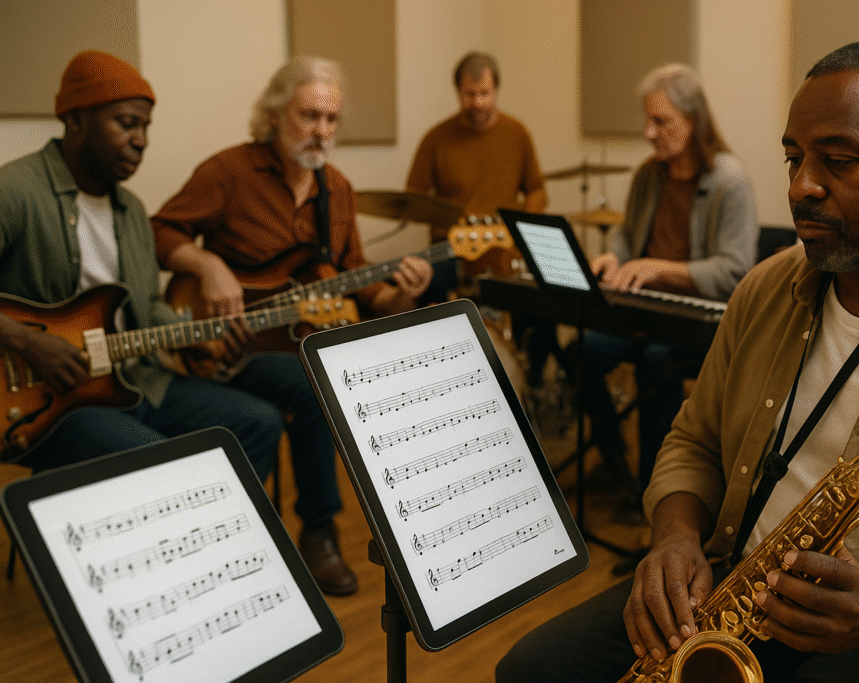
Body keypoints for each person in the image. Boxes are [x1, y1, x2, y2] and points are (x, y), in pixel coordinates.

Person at [497, 38, 859, 683]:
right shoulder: (765, 289)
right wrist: (674, 541)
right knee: (531, 669)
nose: (802, 186)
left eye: (838, 160)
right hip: (732, 591)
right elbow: (692, 441)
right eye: (794, 158)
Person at [151, 57, 433, 596]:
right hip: (222, 347)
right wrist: (208, 267)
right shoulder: (229, 172)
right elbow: (159, 230)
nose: (320, 132)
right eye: (308, 115)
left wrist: (403, 290)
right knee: (315, 385)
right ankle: (315, 529)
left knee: (323, 378)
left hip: (292, 347)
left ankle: (320, 531)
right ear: (276, 112)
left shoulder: (339, 192)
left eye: (330, 120)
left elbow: (362, 291)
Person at [0, 52, 281, 487]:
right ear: (76, 120)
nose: (141, 140)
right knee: (152, 458)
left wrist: (193, 341)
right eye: (126, 123)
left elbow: (146, 304)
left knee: (257, 422)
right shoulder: (15, 191)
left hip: (133, 379)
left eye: (145, 127)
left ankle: (211, 546)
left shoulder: (131, 210)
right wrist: (29, 343)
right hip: (43, 402)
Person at [579, 63, 757, 497]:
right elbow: (626, 234)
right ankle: (615, 459)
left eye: (661, 121)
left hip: (698, 321)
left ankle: (656, 495)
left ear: (692, 121)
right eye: (648, 120)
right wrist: (613, 256)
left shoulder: (729, 182)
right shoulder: (648, 175)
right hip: (647, 310)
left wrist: (658, 267)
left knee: (655, 362)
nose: (648, 133)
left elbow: (734, 271)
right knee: (581, 351)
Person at [407, 50, 547, 302]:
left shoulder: (516, 133)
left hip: (504, 246)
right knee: (423, 288)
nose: (478, 102)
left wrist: (522, 229)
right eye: (469, 94)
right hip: (452, 247)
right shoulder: (436, 138)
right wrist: (447, 220)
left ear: (496, 90)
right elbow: (413, 196)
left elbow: (536, 189)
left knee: (543, 297)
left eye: (485, 93)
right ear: (458, 92)